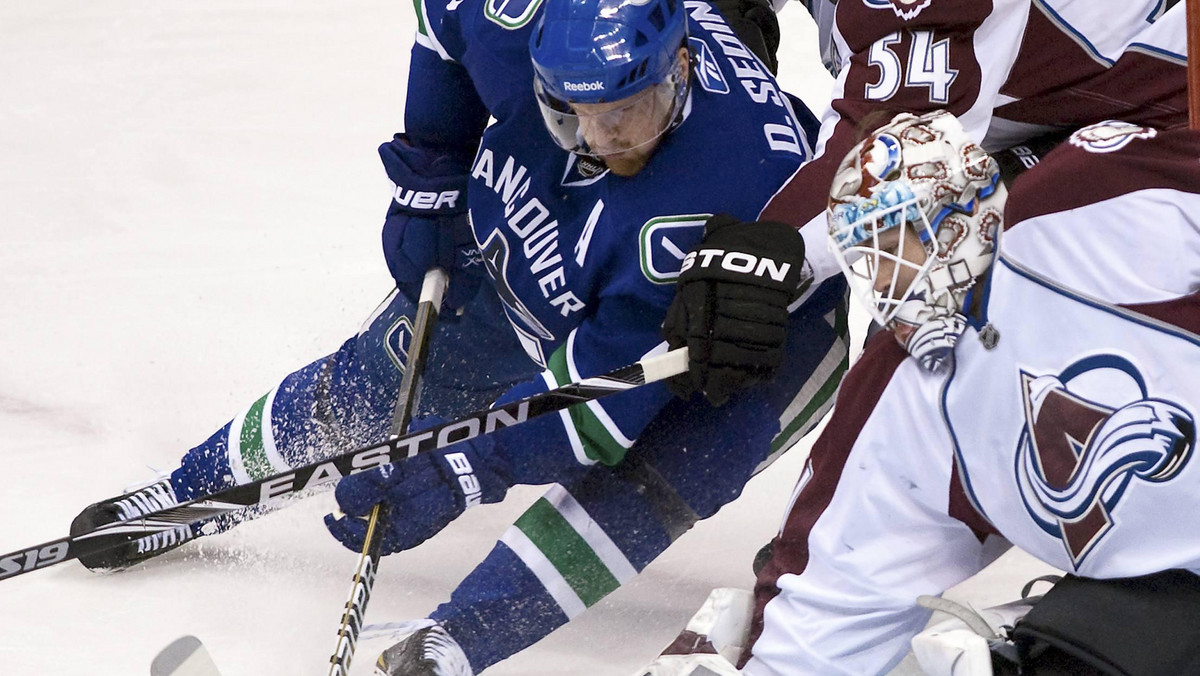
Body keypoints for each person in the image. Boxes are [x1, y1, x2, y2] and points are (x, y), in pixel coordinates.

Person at [69, 0, 851, 673]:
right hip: (556, 246)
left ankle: (453, 644)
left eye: (628, 116)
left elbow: (589, 411)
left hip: (745, 332)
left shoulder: (720, 192)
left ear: (680, 72)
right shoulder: (515, 24)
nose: (603, 141)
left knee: (650, 480)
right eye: (571, 116)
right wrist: (430, 167)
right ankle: (183, 495)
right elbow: (443, 24)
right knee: (381, 375)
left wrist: (452, 475)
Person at [636, 110, 1200, 676]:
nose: (888, 280)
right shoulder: (902, 401)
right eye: (868, 253)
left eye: (901, 239)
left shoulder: (1084, 201)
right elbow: (825, 617)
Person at [662, 0, 1189, 399]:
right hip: (1055, 98)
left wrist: (758, 259)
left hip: (1161, 129)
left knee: (934, 325)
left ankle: (852, 540)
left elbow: (892, 145)